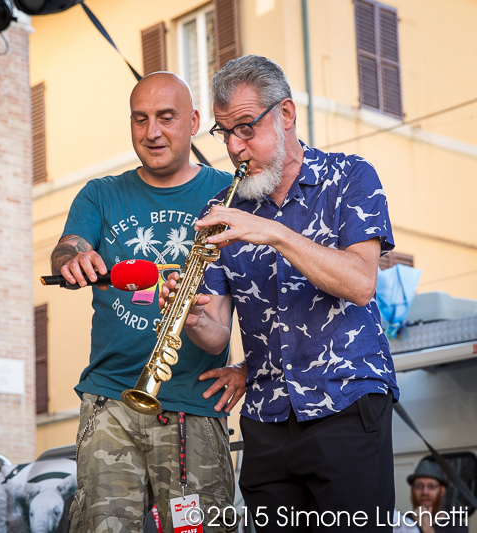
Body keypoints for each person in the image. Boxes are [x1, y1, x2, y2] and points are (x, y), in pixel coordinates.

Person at [160, 55, 399, 531]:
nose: (234, 146)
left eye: (246, 128)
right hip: (267, 419)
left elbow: (359, 283)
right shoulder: (222, 209)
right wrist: (193, 314)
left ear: (286, 114)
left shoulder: (350, 177)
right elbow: (215, 334)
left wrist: (274, 232)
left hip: (345, 403)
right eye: (224, 133)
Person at [51, 72, 237, 532]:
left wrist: (238, 358)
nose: (152, 131)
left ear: (194, 121)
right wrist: (76, 257)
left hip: (192, 404)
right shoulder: (100, 193)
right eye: (141, 119)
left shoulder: (228, 195)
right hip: (110, 398)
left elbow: (237, 318)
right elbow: (66, 247)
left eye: (166, 117)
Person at [393, 461, 469, 533]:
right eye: (419, 486)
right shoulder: (402, 522)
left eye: (431, 486)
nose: (425, 492)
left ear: (442, 491)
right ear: (412, 489)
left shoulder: (456, 526)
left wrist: (427, 528)